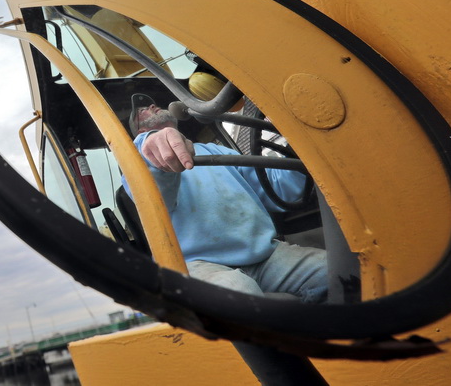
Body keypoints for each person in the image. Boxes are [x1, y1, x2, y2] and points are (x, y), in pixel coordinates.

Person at [122, 93, 328, 303]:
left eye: (151, 103)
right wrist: (151, 143)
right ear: (138, 131)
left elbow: (274, 189)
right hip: (197, 265)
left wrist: (296, 152)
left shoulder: (213, 150)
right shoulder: (137, 166)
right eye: (141, 110)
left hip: (264, 255)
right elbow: (154, 196)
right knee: (239, 293)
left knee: (337, 272)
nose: (152, 104)